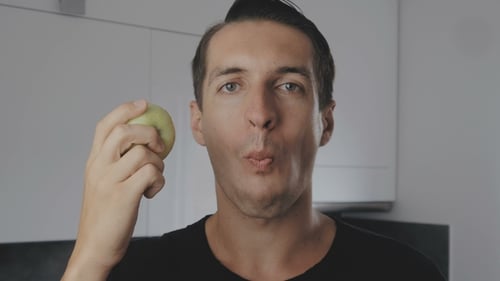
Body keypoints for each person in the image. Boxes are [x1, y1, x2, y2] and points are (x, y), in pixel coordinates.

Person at [62, 0, 447, 280]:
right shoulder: (134, 274)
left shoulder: (406, 273)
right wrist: (89, 258)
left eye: (288, 86)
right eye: (231, 85)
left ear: (325, 123)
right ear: (198, 123)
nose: (261, 113)